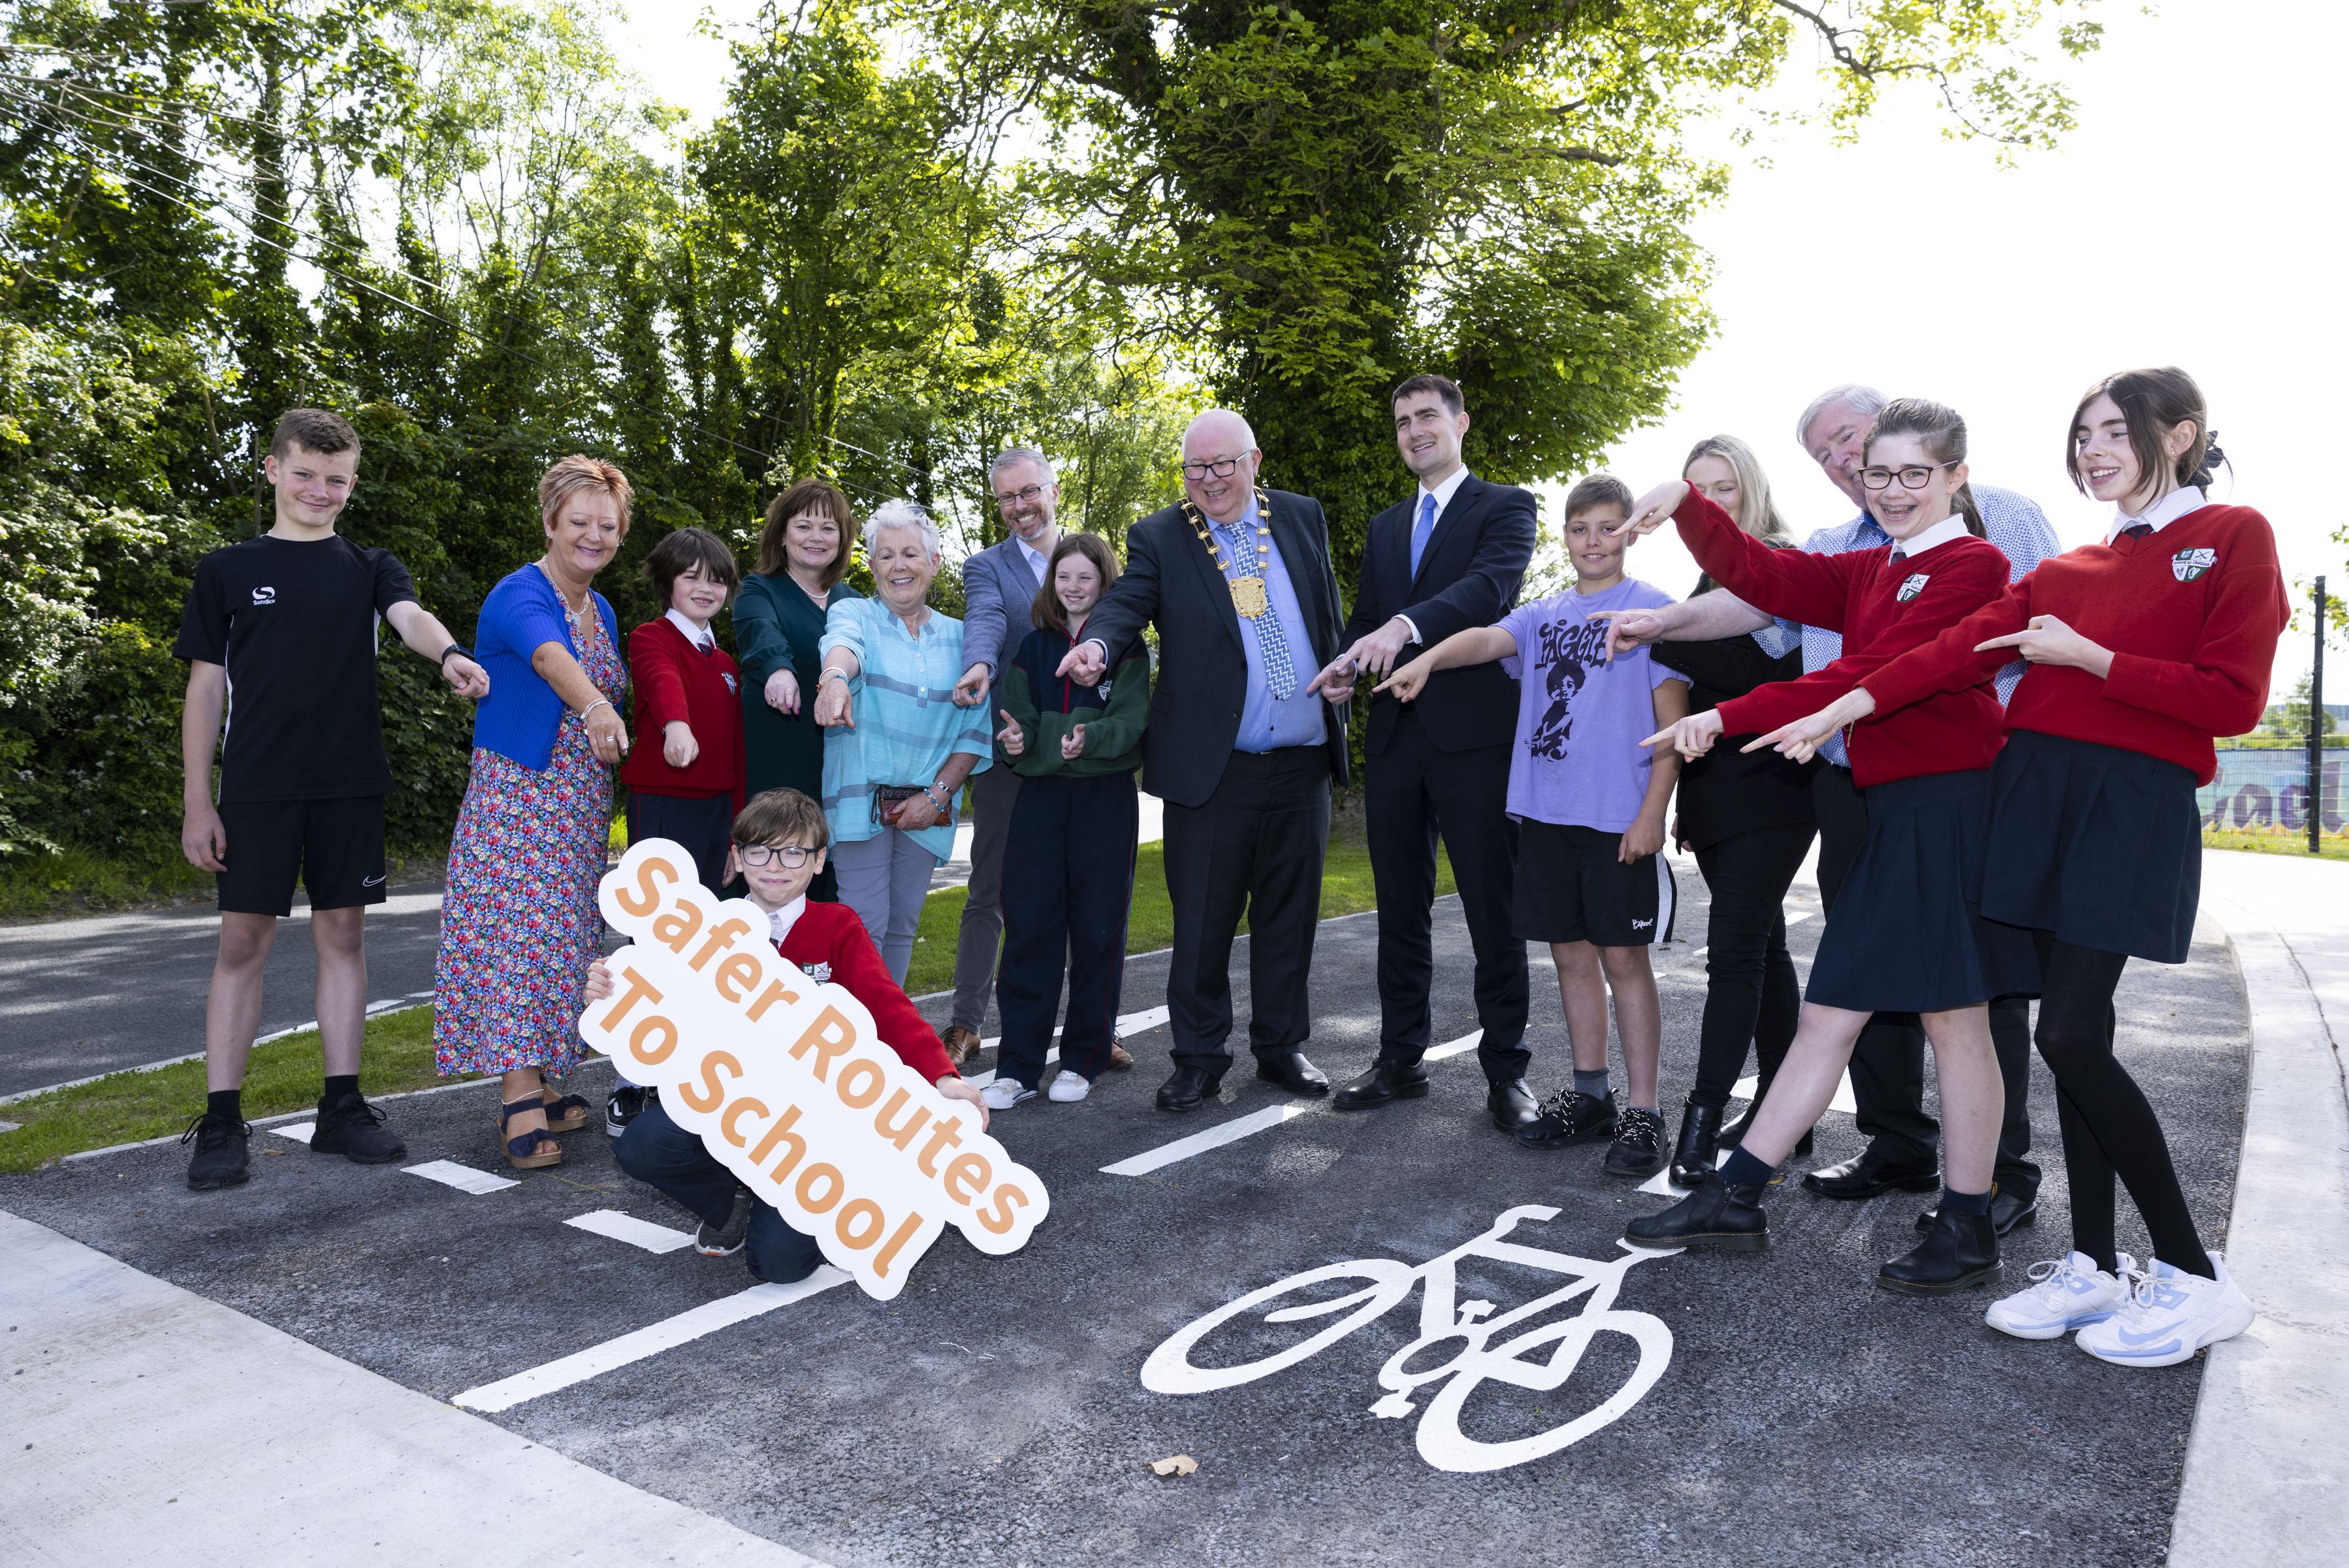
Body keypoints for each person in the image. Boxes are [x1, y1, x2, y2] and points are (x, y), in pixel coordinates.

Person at [1806, 369, 2279, 1358]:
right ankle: (2095, 1270)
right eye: (2083, 435)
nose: (2093, 450)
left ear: (2181, 434)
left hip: (2126, 806)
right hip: (2035, 799)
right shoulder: (2069, 568)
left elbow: (2229, 699)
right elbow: (1959, 646)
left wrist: (2089, 659)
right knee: (2070, 1033)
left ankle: (2194, 1272)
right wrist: (1847, 705)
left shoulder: (2234, 535)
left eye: (2115, 432)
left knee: (2068, 1034)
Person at [1601, 383, 2056, 1232]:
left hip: (1949, 814)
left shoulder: (1974, 565)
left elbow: (1865, 675)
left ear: (1957, 476)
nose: (1886, 487)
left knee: (1955, 1023)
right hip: (1892, 814)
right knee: (1842, 1013)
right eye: (1874, 473)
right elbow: (1768, 573)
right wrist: (1689, 506)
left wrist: (1725, 715)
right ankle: (1737, 1194)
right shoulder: (1872, 565)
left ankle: (1969, 1213)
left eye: (1912, 473)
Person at [175, 408, 491, 1192]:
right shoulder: (225, 569)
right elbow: (206, 689)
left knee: (343, 936)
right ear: (274, 469)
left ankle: (342, 1108)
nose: (321, 489)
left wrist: (450, 651)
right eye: (307, 473)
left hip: (350, 781)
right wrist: (196, 801)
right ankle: (221, 1120)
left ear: (352, 484)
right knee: (242, 945)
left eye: (337, 478)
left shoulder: (369, 564)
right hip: (256, 788)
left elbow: (410, 618)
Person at [1381, 474, 1689, 1177]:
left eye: (1608, 528)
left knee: (1624, 964)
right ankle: (1590, 1096)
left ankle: (1644, 1110)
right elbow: (1486, 639)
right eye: (1580, 529)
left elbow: (1673, 728)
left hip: (1617, 821)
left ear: (1631, 532)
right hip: (1546, 818)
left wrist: (1653, 813)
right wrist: (1426, 657)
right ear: (1566, 537)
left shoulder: (1654, 612)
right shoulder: (1543, 615)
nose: (1593, 541)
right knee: (1572, 957)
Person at [1058, 409, 1352, 1113]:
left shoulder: (1303, 516)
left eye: (1224, 464)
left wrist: (1344, 667)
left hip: (1302, 763)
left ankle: (1281, 1047)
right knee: (1201, 926)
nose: (1211, 479)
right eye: (1196, 468)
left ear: (1253, 460)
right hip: (1213, 770)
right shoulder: (1162, 535)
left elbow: (1326, 610)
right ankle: (1197, 1059)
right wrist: (1098, 644)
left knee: (1290, 919)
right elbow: (1127, 599)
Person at [588, 788, 989, 1279]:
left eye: (793, 851)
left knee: (778, 1265)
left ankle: (809, 1203)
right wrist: (612, 989)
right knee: (641, 1143)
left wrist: (941, 1076)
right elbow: (654, 999)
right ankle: (729, 1198)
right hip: (730, 1101)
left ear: (819, 861)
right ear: (736, 857)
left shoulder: (836, 925)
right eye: (759, 850)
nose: (774, 865)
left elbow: (889, 1008)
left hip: (813, 1123)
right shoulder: (703, 931)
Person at [1306, 374, 1538, 1132]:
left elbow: (1485, 590)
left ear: (1461, 422)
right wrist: (1347, 665)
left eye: (1427, 416)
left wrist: (1401, 631)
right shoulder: (1385, 526)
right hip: (1397, 740)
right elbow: (1369, 617)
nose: (1414, 430)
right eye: (1403, 421)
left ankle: (1506, 1070)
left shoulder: (1506, 506)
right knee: (1399, 910)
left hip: (1476, 740)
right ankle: (1400, 1059)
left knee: (1490, 908)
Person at [432, 455, 634, 1172]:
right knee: (516, 935)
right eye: (579, 521)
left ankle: (544, 1076)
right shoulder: (519, 593)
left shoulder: (601, 609)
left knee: (562, 940)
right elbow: (550, 659)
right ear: (550, 521)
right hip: (518, 800)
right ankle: (517, 1089)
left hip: (578, 808)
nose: (593, 535)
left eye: (607, 526)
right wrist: (598, 704)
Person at [1646, 436, 1819, 1187]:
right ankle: (1794, 1120)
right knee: (1767, 949)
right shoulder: (1698, 582)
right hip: (1715, 794)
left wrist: (1643, 624)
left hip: (1775, 789)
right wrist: (1686, 798)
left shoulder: (1777, 564)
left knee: (1736, 954)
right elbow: (1698, 702)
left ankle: (1702, 1122)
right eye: (1697, 490)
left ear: (1749, 492)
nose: (1711, 503)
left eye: (1724, 489)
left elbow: (1758, 645)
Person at [941, 449, 1136, 1072]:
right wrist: (979, 665)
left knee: (1094, 899)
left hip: (1092, 773)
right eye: (1006, 498)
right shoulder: (985, 566)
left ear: (1052, 489)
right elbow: (986, 618)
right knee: (993, 892)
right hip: (1014, 753)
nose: (1020, 506)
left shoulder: (1094, 565)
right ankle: (967, 1024)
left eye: (1029, 492)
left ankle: (1094, 1030)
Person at [985, 533, 1151, 1109]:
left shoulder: (1126, 648)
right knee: (1030, 928)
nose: (1074, 587)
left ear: (1105, 583)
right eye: (1064, 576)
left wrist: (1088, 737)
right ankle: (1017, 1066)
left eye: (1085, 577)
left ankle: (1084, 1057)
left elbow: (1130, 724)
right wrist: (1015, 739)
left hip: (1104, 802)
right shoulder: (1033, 648)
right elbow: (1017, 723)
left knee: (1097, 929)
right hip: (1040, 801)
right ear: (1050, 584)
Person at [812, 499, 993, 985]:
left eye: (910, 554)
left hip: (929, 804)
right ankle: (854, 1045)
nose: (898, 566)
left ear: (934, 563)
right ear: (871, 565)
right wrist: (832, 679)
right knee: (864, 927)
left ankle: (889, 1040)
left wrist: (936, 795)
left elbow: (976, 729)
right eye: (886, 555)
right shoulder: (853, 613)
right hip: (858, 802)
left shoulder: (962, 638)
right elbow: (841, 645)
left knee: (902, 927)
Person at [610, 526, 746, 1137]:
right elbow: (661, 683)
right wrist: (674, 727)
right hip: (663, 805)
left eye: (716, 578)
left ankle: (690, 1078)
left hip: (720, 815)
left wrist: (739, 836)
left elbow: (738, 754)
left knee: (706, 949)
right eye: (691, 576)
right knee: (656, 946)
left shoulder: (726, 664)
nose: (704, 587)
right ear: (668, 580)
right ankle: (630, 1082)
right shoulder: (650, 637)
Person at [733, 478, 862, 905]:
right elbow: (761, 635)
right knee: (774, 870)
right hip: (777, 761)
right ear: (782, 534)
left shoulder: (853, 601)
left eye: (828, 528)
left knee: (829, 891)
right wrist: (778, 671)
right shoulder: (758, 589)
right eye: (803, 525)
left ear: (843, 539)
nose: (815, 537)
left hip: (840, 769)